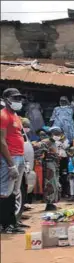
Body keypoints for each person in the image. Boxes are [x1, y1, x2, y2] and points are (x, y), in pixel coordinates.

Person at [0, 88, 27, 234]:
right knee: (4, 192)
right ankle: (5, 224)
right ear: (6, 99)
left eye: (19, 98)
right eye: (15, 98)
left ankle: (12, 222)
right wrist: (10, 164)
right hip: (9, 158)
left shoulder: (15, 115)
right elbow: (1, 141)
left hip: (20, 155)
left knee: (14, 192)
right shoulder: (3, 115)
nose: (18, 101)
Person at [42, 127, 62, 211]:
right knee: (50, 184)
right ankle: (49, 203)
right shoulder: (46, 142)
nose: (58, 136)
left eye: (59, 134)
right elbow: (41, 153)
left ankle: (52, 202)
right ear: (51, 134)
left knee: (55, 184)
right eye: (56, 134)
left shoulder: (54, 143)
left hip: (54, 164)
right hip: (49, 164)